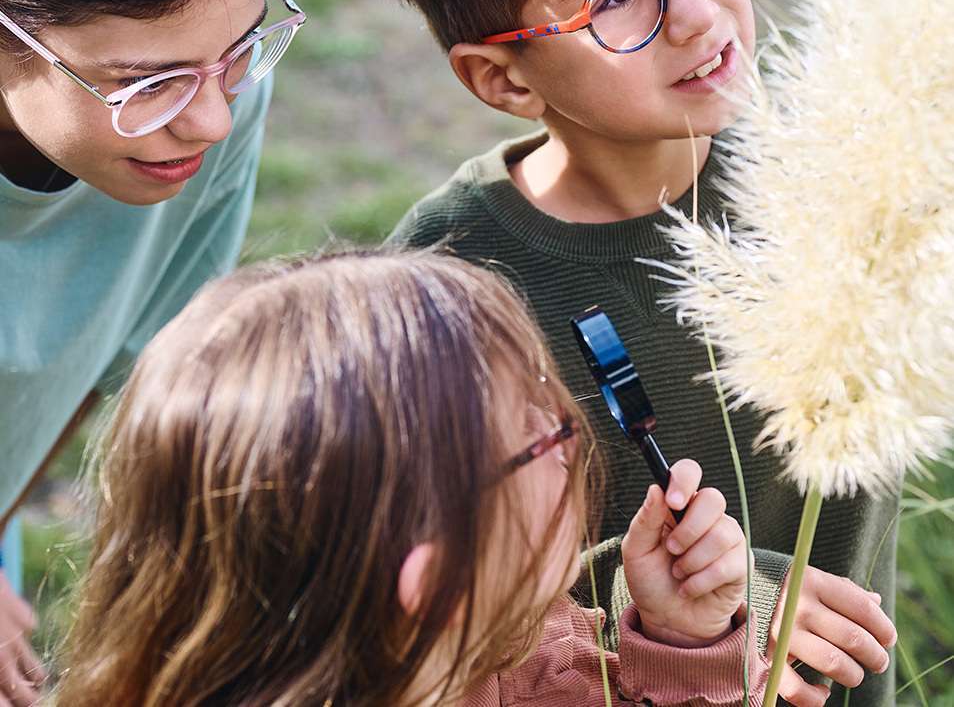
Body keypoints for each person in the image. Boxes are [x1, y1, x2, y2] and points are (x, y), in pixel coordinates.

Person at [377, 0, 929, 704]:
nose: (698, 13)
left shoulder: (844, 159)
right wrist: (713, 605)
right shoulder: (448, 282)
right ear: (505, 79)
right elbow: (455, 603)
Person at [56, 250, 768, 706]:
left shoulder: (518, 649)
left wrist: (684, 643)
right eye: (538, 435)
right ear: (438, 589)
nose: (573, 429)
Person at [0, 0, 304, 702]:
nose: (211, 119)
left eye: (241, 46)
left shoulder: (210, 104)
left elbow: (114, 361)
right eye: (146, 82)